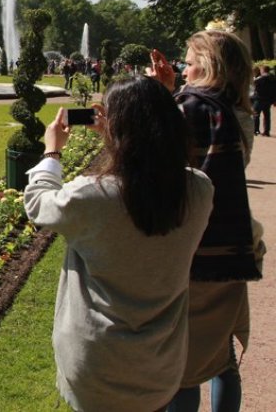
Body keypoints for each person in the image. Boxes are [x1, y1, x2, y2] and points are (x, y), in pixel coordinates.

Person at [24, 76, 215, 412]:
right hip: (160, 366)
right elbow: (145, 184)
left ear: (117, 128)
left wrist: (52, 152)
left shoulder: (92, 196)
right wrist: (116, 141)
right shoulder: (199, 190)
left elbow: (39, 204)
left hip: (98, 366)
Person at [150, 31, 261, 412]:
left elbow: (161, 162)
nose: (183, 69)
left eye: (190, 61)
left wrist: (162, 100)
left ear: (209, 66)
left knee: (182, 367)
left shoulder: (191, 107)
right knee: (222, 356)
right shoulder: (237, 112)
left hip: (195, 246)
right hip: (234, 239)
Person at [253, 65, 276, 136]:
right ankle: (266, 131)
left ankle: (256, 130)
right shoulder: (273, 78)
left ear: (263, 70)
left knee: (256, 115)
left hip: (260, 98)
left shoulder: (262, 77)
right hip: (268, 100)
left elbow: (254, 82)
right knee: (267, 116)